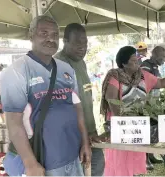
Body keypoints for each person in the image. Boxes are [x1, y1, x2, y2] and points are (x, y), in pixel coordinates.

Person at [0, 16, 91, 176]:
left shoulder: (66, 69)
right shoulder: (17, 71)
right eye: (44, 33)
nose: (50, 39)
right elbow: (14, 123)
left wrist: (85, 142)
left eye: (55, 35)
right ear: (31, 35)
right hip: (42, 160)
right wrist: (30, 164)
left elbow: (77, 107)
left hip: (72, 156)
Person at [101, 46, 165, 176]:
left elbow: (160, 82)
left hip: (137, 127)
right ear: (124, 63)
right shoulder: (115, 76)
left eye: (137, 58)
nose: (137, 62)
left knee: (134, 161)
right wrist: (121, 122)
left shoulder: (142, 75)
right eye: (133, 60)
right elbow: (110, 98)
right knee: (120, 164)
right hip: (121, 127)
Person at [54, 23, 105, 176]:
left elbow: (84, 96)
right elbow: (62, 107)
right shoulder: (58, 64)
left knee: (97, 167)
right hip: (74, 135)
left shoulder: (81, 63)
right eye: (77, 43)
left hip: (91, 130)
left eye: (85, 43)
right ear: (65, 41)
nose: (83, 47)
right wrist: (82, 136)